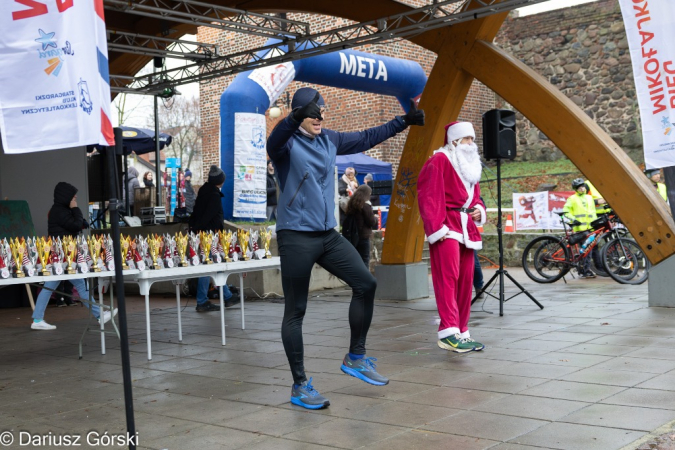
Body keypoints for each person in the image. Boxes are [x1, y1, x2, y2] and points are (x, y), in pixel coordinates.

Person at [267, 87, 425, 409]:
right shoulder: (287, 146)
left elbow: (367, 136)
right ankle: (299, 385)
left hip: (327, 235)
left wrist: (403, 121)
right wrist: (293, 117)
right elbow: (274, 140)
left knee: (366, 283)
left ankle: (356, 356)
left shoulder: (330, 140)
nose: (319, 118)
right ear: (299, 114)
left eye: (322, 111)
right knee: (296, 312)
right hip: (296, 237)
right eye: (312, 112)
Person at [417, 121, 486, 353]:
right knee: (448, 278)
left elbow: (475, 197)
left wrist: (479, 210)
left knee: (465, 280)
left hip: (467, 226)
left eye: (472, 139)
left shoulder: (470, 165)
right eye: (467, 139)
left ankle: (462, 331)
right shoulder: (439, 160)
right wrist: (439, 229)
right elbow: (428, 195)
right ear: (455, 140)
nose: (471, 144)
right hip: (447, 227)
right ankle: (448, 331)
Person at [31, 182, 117, 330]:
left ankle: (38, 319)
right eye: (73, 195)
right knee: (80, 285)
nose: (75, 197)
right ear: (66, 196)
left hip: (60, 255)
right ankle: (99, 315)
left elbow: (78, 224)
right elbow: (76, 225)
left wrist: (78, 217)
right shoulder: (60, 211)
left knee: (50, 287)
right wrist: (76, 209)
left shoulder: (58, 210)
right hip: (65, 255)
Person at [188, 165, 233, 312]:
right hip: (209, 234)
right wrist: (199, 229)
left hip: (204, 233)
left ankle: (227, 296)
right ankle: (202, 300)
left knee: (215, 265)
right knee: (208, 267)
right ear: (220, 181)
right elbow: (209, 215)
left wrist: (193, 227)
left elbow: (197, 212)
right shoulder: (213, 195)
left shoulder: (204, 191)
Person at [562, 178, 600, 279]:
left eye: (583, 186)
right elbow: (565, 211)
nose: (582, 189)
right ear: (575, 189)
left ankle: (584, 269)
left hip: (590, 228)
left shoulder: (589, 198)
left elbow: (595, 209)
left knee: (588, 250)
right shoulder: (572, 199)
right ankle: (584, 270)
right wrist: (573, 219)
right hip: (580, 229)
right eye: (579, 187)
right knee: (586, 250)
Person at [345, 184, 378, 268]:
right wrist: (375, 218)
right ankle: (365, 280)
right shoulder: (365, 205)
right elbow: (371, 222)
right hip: (364, 237)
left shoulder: (352, 204)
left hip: (354, 236)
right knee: (365, 260)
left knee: (356, 261)